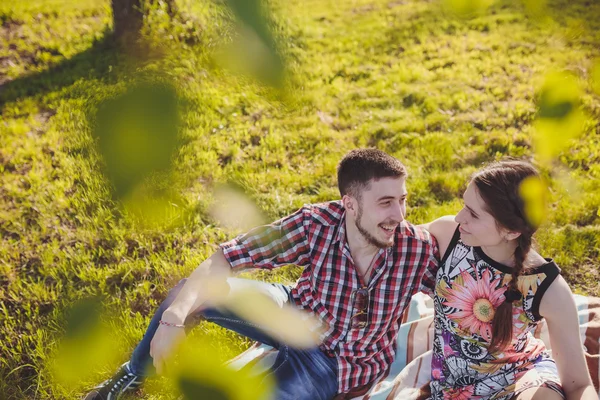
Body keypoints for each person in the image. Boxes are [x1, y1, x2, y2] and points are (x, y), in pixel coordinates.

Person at [84, 148, 439, 400]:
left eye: (402, 200)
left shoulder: (416, 249)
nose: (399, 214)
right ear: (349, 203)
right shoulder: (316, 224)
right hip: (296, 311)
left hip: (336, 363)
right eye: (386, 202)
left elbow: (465, 294)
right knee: (189, 293)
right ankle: (134, 374)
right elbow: (226, 257)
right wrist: (173, 320)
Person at [422, 160, 596, 400]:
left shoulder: (547, 287)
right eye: (464, 205)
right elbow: (393, 241)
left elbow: (578, 385)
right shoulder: (448, 236)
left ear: (512, 232)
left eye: (473, 213)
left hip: (522, 379)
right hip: (451, 388)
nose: (460, 217)